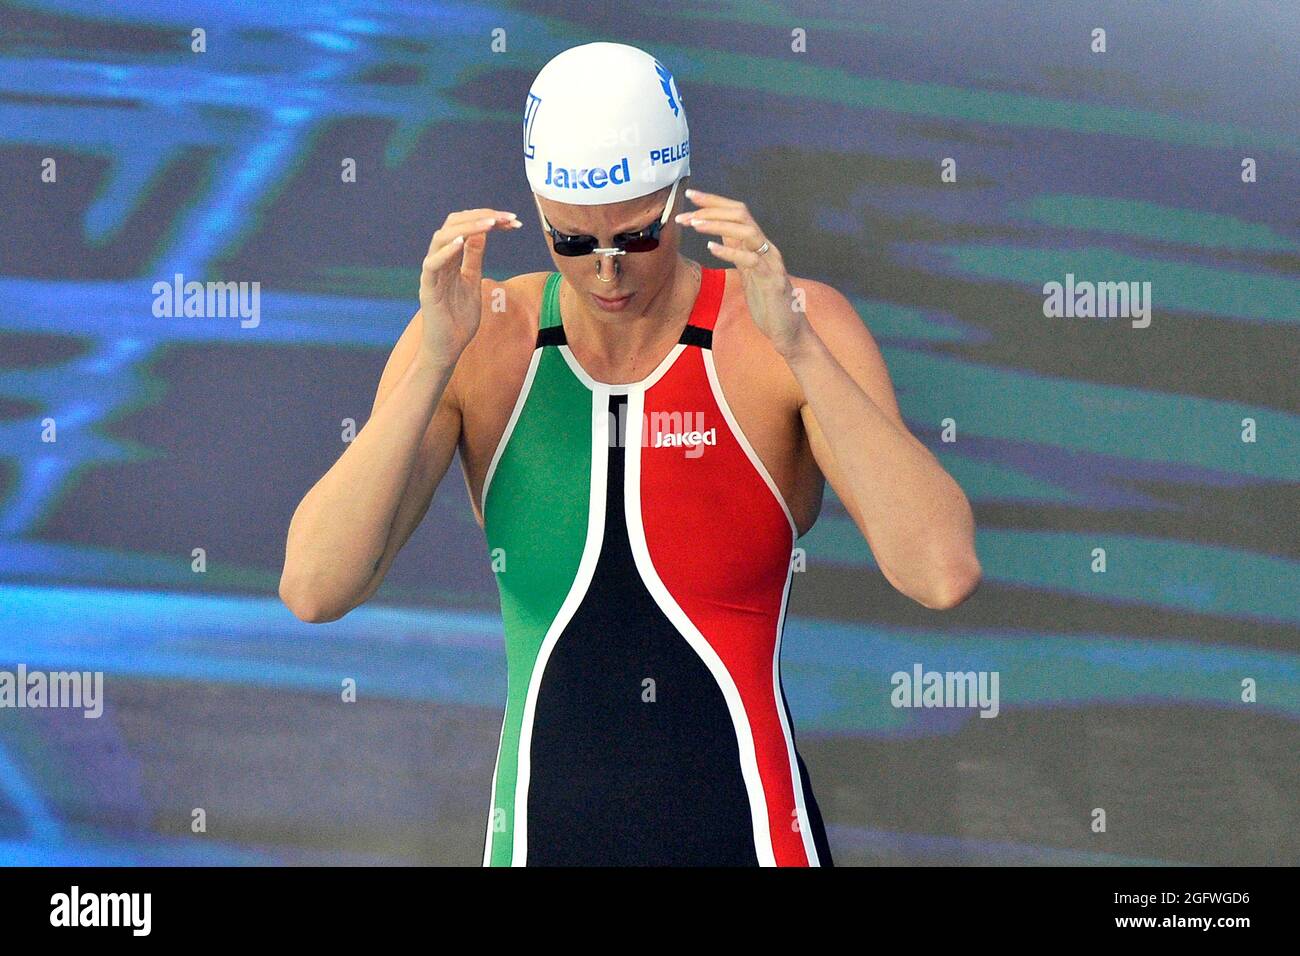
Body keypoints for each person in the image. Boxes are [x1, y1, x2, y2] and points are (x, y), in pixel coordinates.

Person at [279, 41, 981, 866]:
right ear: (536, 213)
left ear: (679, 194)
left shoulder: (779, 329)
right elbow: (315, 587)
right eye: (572, 243)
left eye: (636, 235)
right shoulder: (480, 340)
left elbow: (939, 571)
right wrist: (434, 360)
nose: (608, 271)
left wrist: (804, 351)